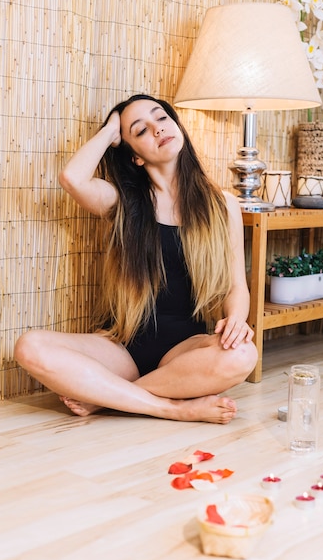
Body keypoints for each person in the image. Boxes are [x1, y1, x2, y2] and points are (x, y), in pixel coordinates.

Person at [14, 94, 258, 424]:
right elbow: (73, 178)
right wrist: (113, 126)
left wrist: (236, 321)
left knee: (243, 355)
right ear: (135, 158)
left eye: (161, 118)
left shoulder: (222, 204)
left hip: (184, 351)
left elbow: (235, 286)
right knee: (30, 347)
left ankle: (106, 397)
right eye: (141, 131)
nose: (157, 130)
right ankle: (171, 407)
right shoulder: (122, 203)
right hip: (122, 348)